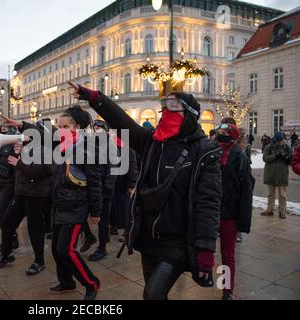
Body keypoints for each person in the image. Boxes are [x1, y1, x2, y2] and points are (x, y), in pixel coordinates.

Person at [68, 81, 221, 300]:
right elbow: (122, 122)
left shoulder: (204, 151)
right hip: (148, 236)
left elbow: (209, 202)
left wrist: (206, 248)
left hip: (178, 239)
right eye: (164, 108)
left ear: (190, 115)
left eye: (174, 107)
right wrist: (94, 98)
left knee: (152, 294)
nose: (166, 112)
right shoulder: (152, 143)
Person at [1, 106, 103, 300]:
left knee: (66, 249)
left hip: (75, 206)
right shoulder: (60, 144)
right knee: (57, 249)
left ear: (77, 127)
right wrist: (22, 125)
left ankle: (92, 283)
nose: (61, 129)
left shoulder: (87, 148)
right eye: (59, 125)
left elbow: (96, 183)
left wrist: (95, 211)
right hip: (58, 204)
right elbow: (43, 133)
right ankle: (67, 282)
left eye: (65, 126)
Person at [0, 139, 53, 276]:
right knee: (7, 222)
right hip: (22, 193)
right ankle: (5, 255)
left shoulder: (44, 150)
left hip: (36, 195)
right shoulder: (26, 148)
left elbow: (42, 170)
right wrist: (19, 154)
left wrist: (19, 163)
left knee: (34, 229)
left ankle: (39, 261)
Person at [215, 123, 254, 300]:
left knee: (227, 254)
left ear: (232, 136)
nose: (219, 135)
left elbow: (246, 190)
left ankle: (227, 290)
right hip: (212, 209)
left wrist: (243, 220)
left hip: (229, 213)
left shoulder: (239, 156)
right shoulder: (213, 151)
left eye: (223, 133)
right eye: (218, 132)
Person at [87, 120, 117, 262]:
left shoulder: (110, 145)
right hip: (93, 186)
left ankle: (102, 247)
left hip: (104, 188)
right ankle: (89, 237)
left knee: (103, 220)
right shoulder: (92, 144)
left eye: (99, 128)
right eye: (95, 128)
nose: (96, 130)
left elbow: (113, 168)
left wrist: (107, 188)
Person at [261, 132, 292, 219]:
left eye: (281, 140)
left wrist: (286, 158)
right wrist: (275, 155)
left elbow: (291, 159)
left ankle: (282, 211)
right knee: (270, 193)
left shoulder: (287, 147)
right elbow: (265, 158)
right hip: (271, 173)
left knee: (282, 194)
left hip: (282, 174)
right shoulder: (269, 147)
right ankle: (269, 209)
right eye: (279, 141)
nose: (280, 142)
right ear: (275, 140)